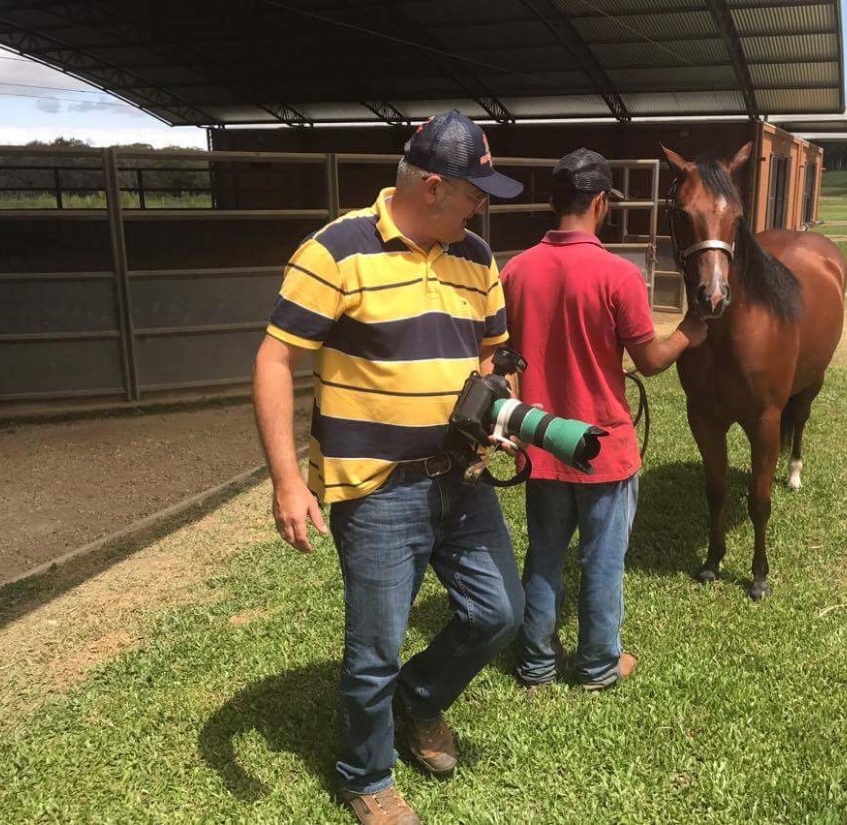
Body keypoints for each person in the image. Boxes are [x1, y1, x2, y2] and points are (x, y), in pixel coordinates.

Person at [252, 111, 525, 825]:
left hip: (461, 478)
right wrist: (287, 480)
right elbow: (275, 360)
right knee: (374, 648)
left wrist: (499, 409)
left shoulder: (476, 256)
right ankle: (366, 776)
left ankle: (419, 699)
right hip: (376, 490)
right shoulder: (336, 251)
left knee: (499, 612)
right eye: (475, 194)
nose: (481, 208)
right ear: (433, 187)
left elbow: (494, 352)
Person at [500, 148, 707, 691]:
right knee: (603, 562)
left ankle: (535, 663)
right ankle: (596, 666)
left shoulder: (515, 271)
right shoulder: (620, 275)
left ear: (555, 201)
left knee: (544, 556)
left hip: (541, 442)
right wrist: (689, 332)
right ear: (599, 202)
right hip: (603, 449)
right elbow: (651, 361)